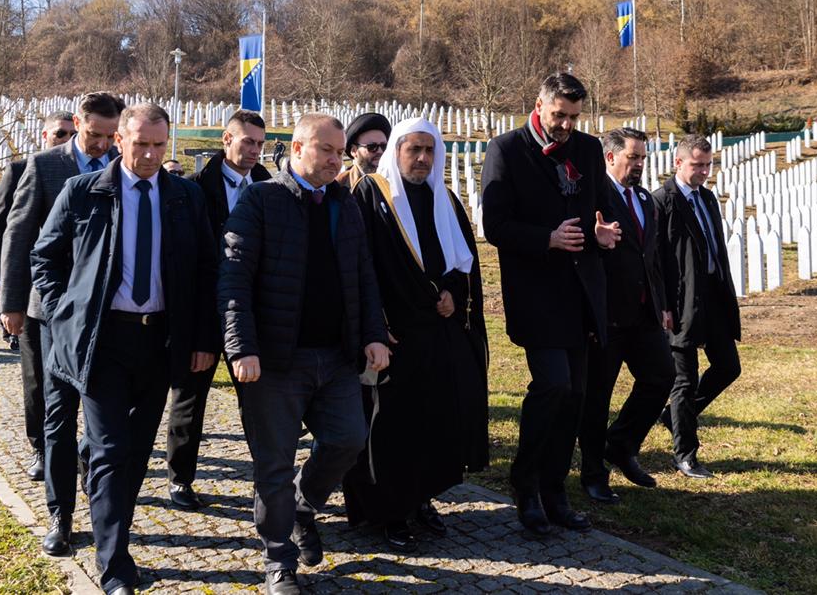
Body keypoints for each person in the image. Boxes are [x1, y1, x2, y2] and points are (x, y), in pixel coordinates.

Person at [31, 103, 218, 595]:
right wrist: (65, 315)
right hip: (102, 340)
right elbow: (44, 257)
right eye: (141, 145)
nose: (151, 155)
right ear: (120, 142)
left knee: (135, 452)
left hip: (159, 340)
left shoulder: (185, 197)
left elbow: (204, 273)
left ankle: (112, 526)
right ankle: (114, 565)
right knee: (112, 449)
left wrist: (202, 339)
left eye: (160, 145)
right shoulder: (85, 191)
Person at [218, 112, 390, 595]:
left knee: (347, 440)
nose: (337, 160)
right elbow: (233, 279)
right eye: (327, 150)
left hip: (335, 356)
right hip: (275, 360)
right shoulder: (261, 200)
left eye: (340, 152)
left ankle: (302, 504)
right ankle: (278, 560)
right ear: (296, 149)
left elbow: (364, 277)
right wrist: (242, 347)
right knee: (272, 463)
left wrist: (374, 333)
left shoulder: (345, 203)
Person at [480, 72, 621, 537]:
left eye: (574, 117)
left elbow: (602, 207)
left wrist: (602, 235)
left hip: (581, 292)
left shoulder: (585, 149)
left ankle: (555, 489)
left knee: (576, 396)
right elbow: (495, 225)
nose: (565, 125)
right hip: (537, 293)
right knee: (553, 385)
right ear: (539, 105)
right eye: (559, 115)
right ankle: (525, 482)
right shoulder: (506, 149)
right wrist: (548, 238)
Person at [343, 117, 488, 551]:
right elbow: (359, 266)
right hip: (392, 335)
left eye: (429, 150)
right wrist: (375, 325)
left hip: (438, 332)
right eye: (413, 150)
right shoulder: (371, 194)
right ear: (397, 152)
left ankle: (421, 498)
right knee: (392, 428)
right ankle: (388, 512)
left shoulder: (444, 197)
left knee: (435, 421)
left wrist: (451, 294)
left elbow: (464, 263)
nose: (422, 158)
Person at [1, 91, 122, 554]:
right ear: (78, 122)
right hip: (51, 311)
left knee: (100, 414)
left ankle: (94, 481)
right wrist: (13, 302)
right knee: (58, 414)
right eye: (94, 135)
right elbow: (20, 232)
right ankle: (60, 514)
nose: (101, 145)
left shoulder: (121, 166)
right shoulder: (46, 165)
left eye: (110, 137)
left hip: (105, 314)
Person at [165, 109, 270, 510]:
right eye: (247, 142)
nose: (254, 151)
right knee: (190, 398)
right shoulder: (193, 188)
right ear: (226, 140)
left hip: (253, 314)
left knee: (259, 403)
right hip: (206, 311)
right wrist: (196, 334)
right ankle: (180, 478)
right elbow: (188, 264)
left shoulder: (267, 185)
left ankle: (267, 480)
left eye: (260, 144)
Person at [578, 128, 673, 503]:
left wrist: (662, 303)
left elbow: (653, 257)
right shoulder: (593, 197)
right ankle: (592, 472)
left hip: (644, 310)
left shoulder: (646, 198)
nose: (639, 165)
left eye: (643, 158)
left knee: (661, 377)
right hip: (607, 313)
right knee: (597, 396)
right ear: (610, 157)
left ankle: (620, 444)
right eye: (633, 157)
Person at [651, 133, 741, 480]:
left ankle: (674, 415)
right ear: (678, 163)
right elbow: (655, 261)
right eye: (697, 165)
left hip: (713, 297)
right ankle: (685, 454)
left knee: (728, 367)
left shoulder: (707, 198)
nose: (704, 171)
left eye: (708, 164)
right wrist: (663, 306)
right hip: (681, 303)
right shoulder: (662, 201)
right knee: (684, 382)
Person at [0, 111, 76, 354]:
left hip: (68, 281)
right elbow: (0, 228)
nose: (67, 138)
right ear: (45, 135)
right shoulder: (20, 169)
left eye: (73, 133)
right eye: (61, 133)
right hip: (27, 277)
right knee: (35, 369)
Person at [336, 112, 391, 190]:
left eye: (384, 146)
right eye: (372, 147)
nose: (380, 151)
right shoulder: (339, 186)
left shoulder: (397, 183)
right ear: (354, 151)